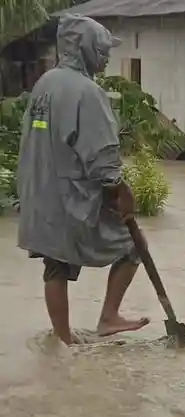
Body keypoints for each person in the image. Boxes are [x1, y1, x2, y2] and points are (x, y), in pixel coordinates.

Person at [16, 15, 147, 345]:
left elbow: (40, 138)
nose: (105, 58)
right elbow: (102, 154)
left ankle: (63, 342)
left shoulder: (45, 83)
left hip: (41, 191)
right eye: (101, 50)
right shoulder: (87, 92)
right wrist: (121, 190)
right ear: (86, 48)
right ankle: (108, 317)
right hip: (70, 193)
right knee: (133, 246)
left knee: (55, 265)